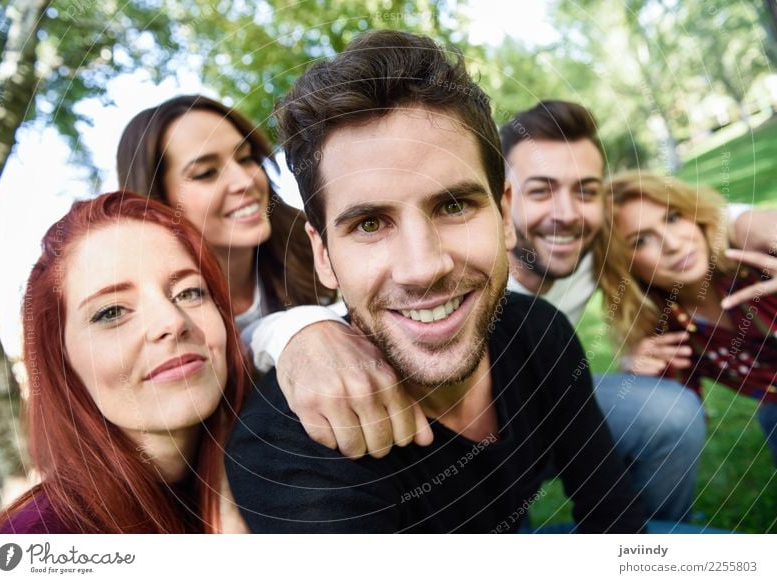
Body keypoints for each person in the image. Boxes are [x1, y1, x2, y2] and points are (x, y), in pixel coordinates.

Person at [225, 30, 646, 533]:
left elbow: (613, 515)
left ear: (504, 214)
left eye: (453, 206)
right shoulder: (292, 455)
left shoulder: (541, 331)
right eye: (369, 224)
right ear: (324, 255)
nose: (423, 267)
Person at [500, 100, 777, 522]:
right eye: (540, 190)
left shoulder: (582, 246)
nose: (567, 214)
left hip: (547, 403)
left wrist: (744, 220)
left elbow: (675, 217)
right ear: (502, 199)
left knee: (668, 411)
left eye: (585, 190)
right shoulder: (473, 268)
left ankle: (654, 536)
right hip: (468, 440)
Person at [117, 96, 433, 459]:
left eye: (246, 157)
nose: (244, 180)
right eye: (205, 172)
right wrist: (289, 330)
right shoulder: (156, 311)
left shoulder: (312, 239)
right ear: (158, 199)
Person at [0, 192, 249, 533]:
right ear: (62, 362)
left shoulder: (278, 459)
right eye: (111, 311)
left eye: (189, 292)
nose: (171, 321)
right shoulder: (40, 540)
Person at [596, 171, 777, 466]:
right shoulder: (665, 331)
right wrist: (638, 379)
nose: (673, 244)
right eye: (641, 240)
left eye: (672, 218)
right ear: (623, 264)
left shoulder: (754, 257)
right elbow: (674, 424)